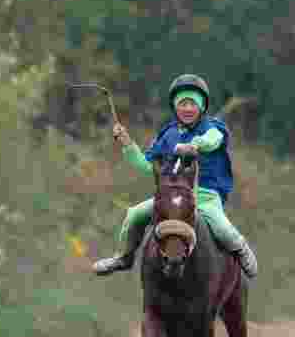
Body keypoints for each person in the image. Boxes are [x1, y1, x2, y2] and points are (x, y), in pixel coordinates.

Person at [92, 73, 258, 278]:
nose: (187, 108)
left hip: (205, 197)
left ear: (202, 107)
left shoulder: (212, 127)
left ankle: (241, 248)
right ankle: (123, 258)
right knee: (134, 214)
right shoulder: (168, 134)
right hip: (171, 196)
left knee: (221, 228)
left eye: (192, 103)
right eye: (182, 103)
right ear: (175, 107)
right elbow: (147, 166)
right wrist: (128, 144)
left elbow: (213, 140)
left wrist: (195, 144)